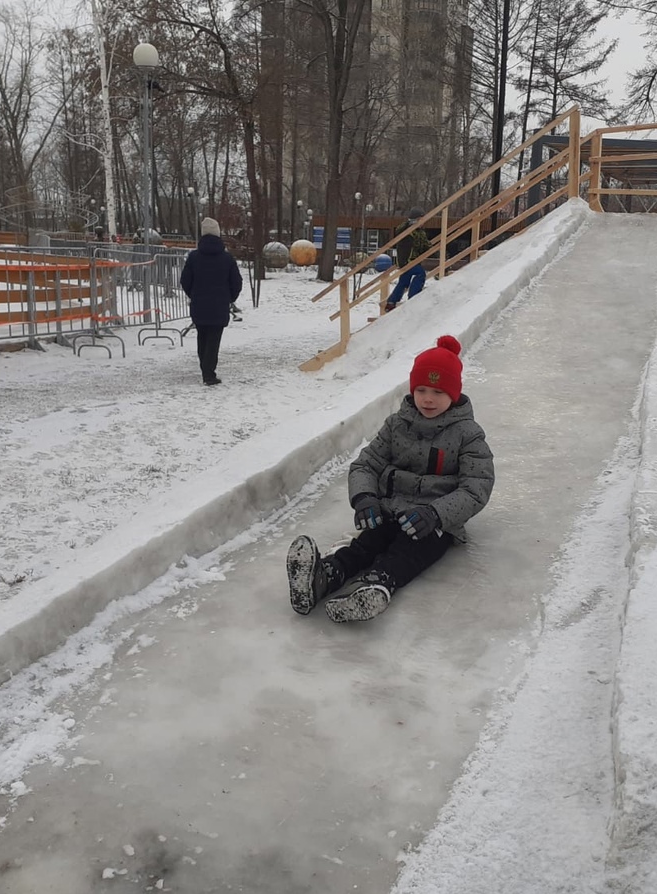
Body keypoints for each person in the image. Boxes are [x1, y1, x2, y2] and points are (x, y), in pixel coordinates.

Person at [285, 335, 494, 623]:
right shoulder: (397, 425)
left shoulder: (467, 434)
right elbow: (365, 465)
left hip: (435, 523)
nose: (428, 399)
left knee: (406, 553)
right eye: (421, 389)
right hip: (391, 509)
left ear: (454, 393)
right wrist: (365, 498)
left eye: (438, 391)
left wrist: (436, 514)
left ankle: (375, 586)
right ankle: (324, 577)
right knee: (365, 544)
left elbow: (476, 487)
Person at [180, 217, 242, 386]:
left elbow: (185, 280)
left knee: (202, 336)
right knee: (214, 339)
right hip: (219, 304)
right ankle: (209, 373)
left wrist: (193, 294)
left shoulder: (193, 258)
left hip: (199, 304)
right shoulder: (227, 258)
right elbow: (236, 282)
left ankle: (205, 368)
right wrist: (229, 298)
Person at [385, 207, 431, 311]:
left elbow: (424, 245)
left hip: (413, 260)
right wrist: (410, 225)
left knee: (404, 282)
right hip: (407, 260)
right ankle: (413, 297)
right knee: (420, 274)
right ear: (416, 220)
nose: (423, 222)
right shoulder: (408, 231)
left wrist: (430, 247)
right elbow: (402, 235)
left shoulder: (420, 232)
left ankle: (391, 302)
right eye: (421, 220)